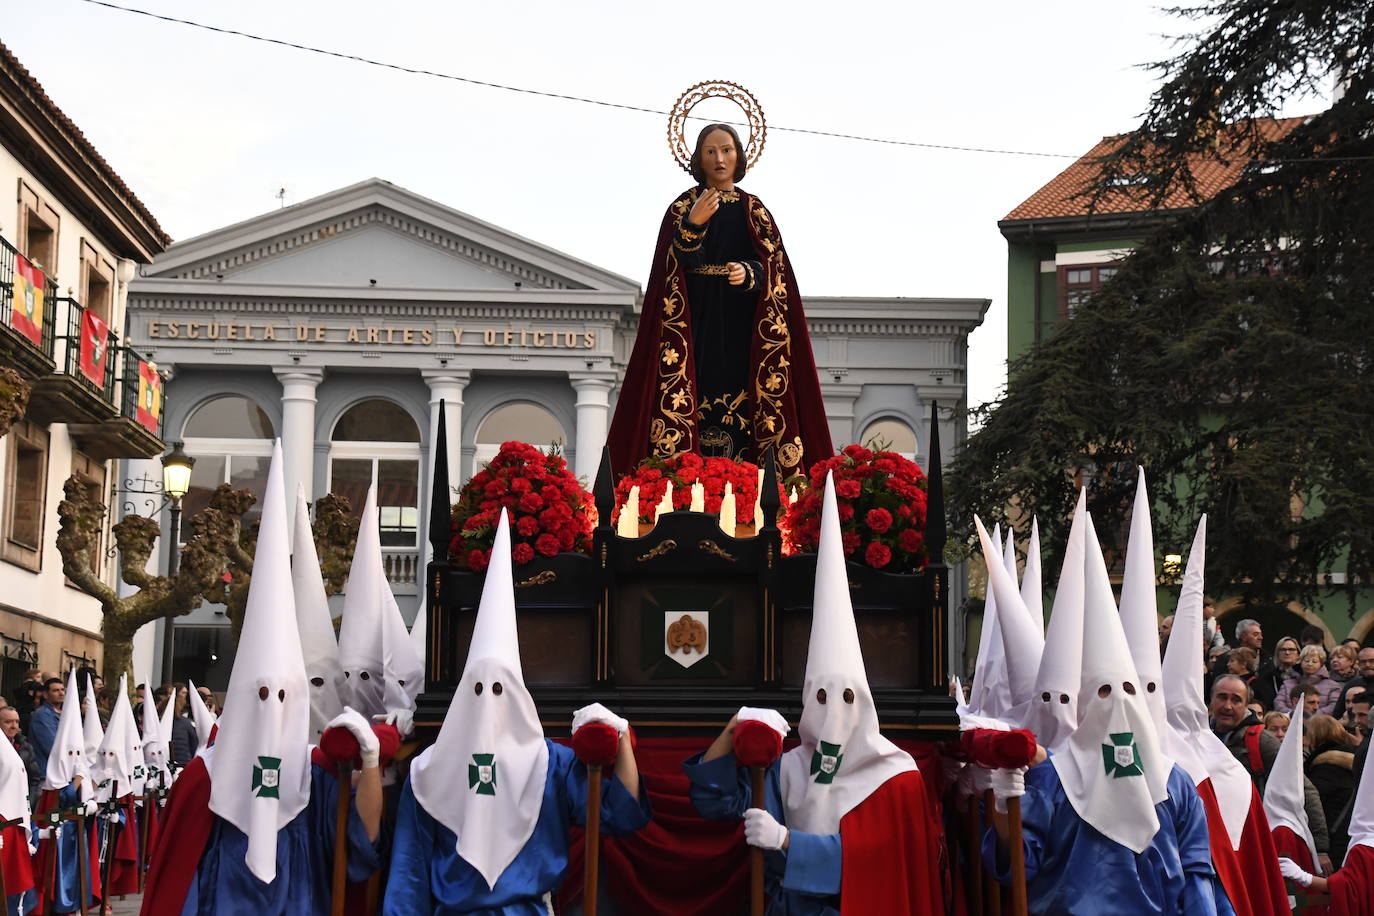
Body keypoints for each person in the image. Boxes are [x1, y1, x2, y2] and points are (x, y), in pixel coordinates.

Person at [140, 441, 384, 916]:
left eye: (285, 695)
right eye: (262, 694)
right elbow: (175, 881)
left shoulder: (315, 773)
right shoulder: (202, 776)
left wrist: (370, 762)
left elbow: (363, 845)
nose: (273, 705)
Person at [685, 476, 944, 914]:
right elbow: (713, 803)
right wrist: (735, 726)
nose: (833, 711)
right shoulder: (789, 766)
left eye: (847, 698)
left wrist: (788, 841)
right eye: (820, 697)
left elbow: (881, 865)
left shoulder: (897, 776)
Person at [384, 511, 651, 913]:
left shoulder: (553, 763)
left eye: (499, 689)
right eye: (478, 689)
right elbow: (408, 872)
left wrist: (622, 739)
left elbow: (619, 815)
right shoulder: (428, 770)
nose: (489, 701)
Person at [606, 122, 832, 476]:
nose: (719, 158)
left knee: (744, 397)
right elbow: (674, 263)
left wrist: (750, 272)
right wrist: (694, 224)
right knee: (695, 392)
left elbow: (776, 267)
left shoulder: (754, 209)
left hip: (743, 324)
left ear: (739, 155)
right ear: (698, 158)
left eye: (726, 150)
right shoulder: (682, 207)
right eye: (710, 151)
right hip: (693, 322)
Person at [1210, 674, 1332, 872]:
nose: (1228, 706)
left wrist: (1320, 848)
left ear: (1247, 705)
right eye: (1222, 697)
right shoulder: (1199, 737)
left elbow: (1303, 788)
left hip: (1247, 842)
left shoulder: (1261, 741)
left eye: (1236, 699)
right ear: (1211, 699)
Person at [1306, 714, 1358, 861]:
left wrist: (1321, 849)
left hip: (1334, 839)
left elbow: (1314, 806)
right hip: (1351, 834)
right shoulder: (1356, 758)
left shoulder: (1324, 767)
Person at [1277, 645, 1342, 715]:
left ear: (1321, 664)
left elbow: (1334, 705)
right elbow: (1279, 703)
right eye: (1306, 661)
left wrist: (1312, 715)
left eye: (1314, 661)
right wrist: (1294, 714)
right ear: (1301, 662)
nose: (1310, 664)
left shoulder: (1333, 686)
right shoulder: (1287, 684)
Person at [1, 705, 43, 808]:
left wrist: (28, 804)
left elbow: (35, 780)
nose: (14, 726)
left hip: (20, 809)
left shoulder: (25, 747)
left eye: (16, 722)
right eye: (8, 722)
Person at [1252, 636, 1301, 710]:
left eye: (1291, 649)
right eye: (1283, 649)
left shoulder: (1304, 676)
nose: (1287, 653)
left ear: (1298, 654)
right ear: (1277, 653)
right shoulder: (1268, 677)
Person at [28, 676, 65, 773]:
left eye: (62, 690)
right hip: (47, 772)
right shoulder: (42, 715)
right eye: (56, 690)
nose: (61, 693)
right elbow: (52, 746)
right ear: (45, 694)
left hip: (62, 771)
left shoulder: (64, 713)